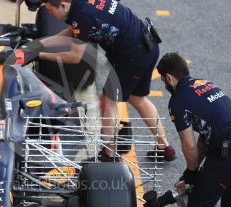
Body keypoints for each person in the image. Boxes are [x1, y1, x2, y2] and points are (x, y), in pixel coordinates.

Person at [31, 0, 175, 161]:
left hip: (133, 55)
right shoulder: (80, 6)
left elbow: (75, 56)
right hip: (148, 43)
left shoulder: (81, 17)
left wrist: (40, 55)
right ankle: (165, 148)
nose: (50, 14)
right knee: (137, 98)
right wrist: (39, 45)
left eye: (51, 11)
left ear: (63, 5)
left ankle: (109, 156)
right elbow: (72, 33)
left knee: (108, 102)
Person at [157, 52, 231, 207]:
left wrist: (192, 171)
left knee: (199, 205)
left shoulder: (178, 100)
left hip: (226, 147)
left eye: (162, 80)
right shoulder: (205, 83)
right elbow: (206, 134)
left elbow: (189, 144)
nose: (163, 84)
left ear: (169, 78)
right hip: (224, 139)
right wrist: (192, 172)